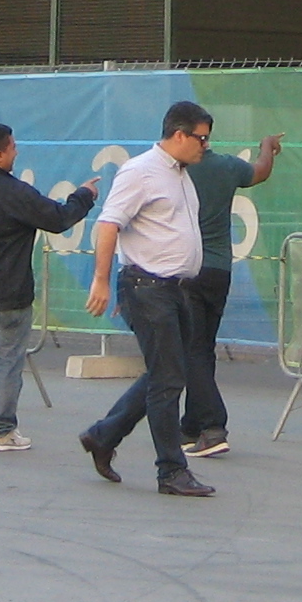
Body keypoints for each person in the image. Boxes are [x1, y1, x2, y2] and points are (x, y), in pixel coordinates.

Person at [76, 100, 217, 497]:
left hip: (174, 288)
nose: (204, 146)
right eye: (201, 138)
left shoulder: (180, 175)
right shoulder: (141, 171)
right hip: (148, 287)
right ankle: (171, 469)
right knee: (169, 378)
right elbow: (108, 225)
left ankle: (105, 435)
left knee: (171, 371)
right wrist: (102, 281)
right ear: (178, 135)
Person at [0, 124, 95, 454]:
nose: (16, 152)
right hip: (10, 292)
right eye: (12, 147)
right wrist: (84, 195)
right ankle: (1, 431)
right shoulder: (16, 192)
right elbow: (58, 218)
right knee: (8, 363)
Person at [178, 128, 280, 460]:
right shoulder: (225, 166)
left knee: (190, 349)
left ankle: (211, 425)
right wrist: (266, 146)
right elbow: (261, 171)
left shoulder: (174, 170)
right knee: (202, 347)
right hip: (219, 269)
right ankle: (191, 425)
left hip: (186, 267)